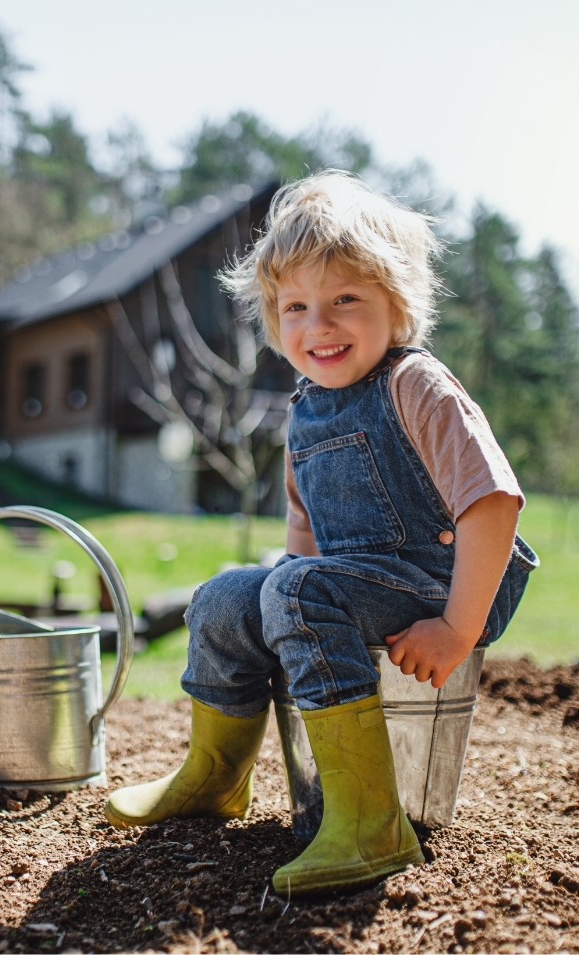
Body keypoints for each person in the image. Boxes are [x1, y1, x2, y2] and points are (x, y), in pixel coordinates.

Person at [104, 172, 538, 896]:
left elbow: (491, 504)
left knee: (297, 590)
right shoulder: (303, 412)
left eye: (345, 300)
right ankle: (215, 778)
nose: (319, 325)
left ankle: (374, 824)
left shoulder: (417, 386)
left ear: (396, 307)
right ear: (274, 322)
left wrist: (457, 628)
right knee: (223, 595)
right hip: (349, 586)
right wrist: (269, 612)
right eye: (296, 306)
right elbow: (302, 539)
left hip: (446, 585)